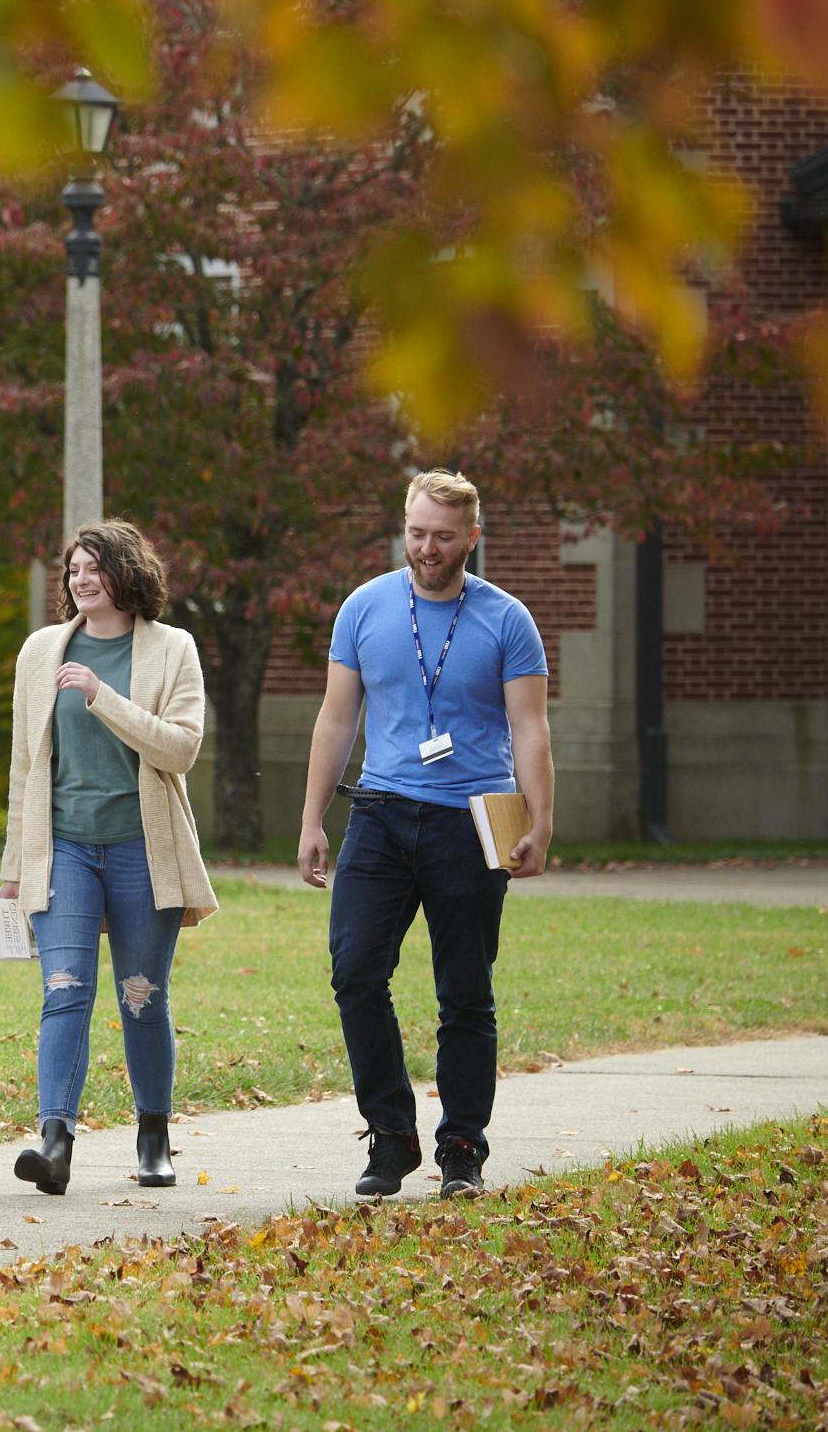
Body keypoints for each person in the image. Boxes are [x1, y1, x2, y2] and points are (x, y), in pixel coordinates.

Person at [296, 470, 554, 1200]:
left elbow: (530, 727)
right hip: (378, 811)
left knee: (464, 993)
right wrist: (314, 818)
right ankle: (390, 1136)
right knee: (354, 971)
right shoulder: (364, 607)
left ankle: (462, 1146)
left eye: (442, 535)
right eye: (415, 532)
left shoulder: (506, 619)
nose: (426, 547)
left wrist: (539, 822)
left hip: (473, 818)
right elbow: (336, 718)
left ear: (471, 537)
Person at [0, 519, 217, 1195]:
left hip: (140, 850)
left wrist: (102, 697)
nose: (80, 579)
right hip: (61, 847)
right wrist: (12, 870)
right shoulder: (40, 651)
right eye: (72, 569)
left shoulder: (172, 649)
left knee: (140, 998)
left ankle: (153, 1136)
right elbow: (23, 766)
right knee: (63, 992)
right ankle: (53, 1142)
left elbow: (180, 748)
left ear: (127, 573)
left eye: (93, 567)